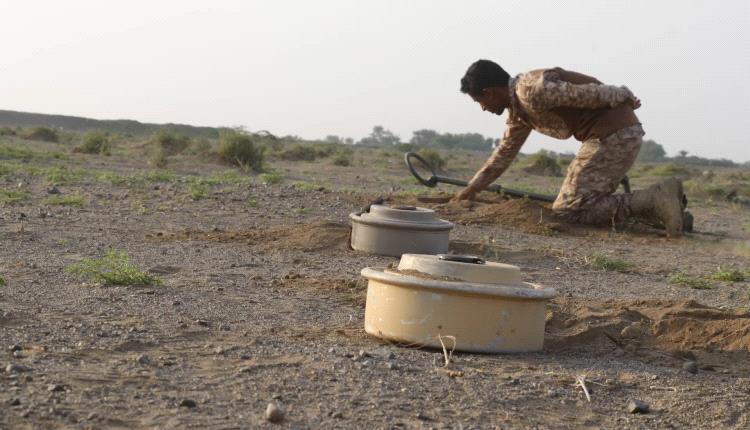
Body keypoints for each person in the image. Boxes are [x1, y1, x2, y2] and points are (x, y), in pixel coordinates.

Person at [452, 59, 684, 237]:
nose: (483, 108)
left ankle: (653, 200)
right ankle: (663, 212)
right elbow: (503, 154)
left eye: (480, 102)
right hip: (609, 135)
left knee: (569, 210)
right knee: (578, 203)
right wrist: (471, 190)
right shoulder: (518, 112)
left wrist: (622, 95)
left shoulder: (531, 90)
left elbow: (588, 93)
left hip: (613, 134)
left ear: (488, 93)